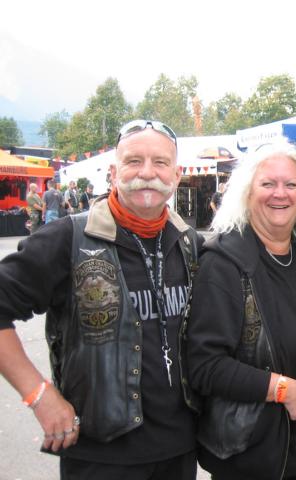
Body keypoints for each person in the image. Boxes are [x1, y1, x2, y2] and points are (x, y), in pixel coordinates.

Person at [0, 120, 201, 480]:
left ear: (177, 174)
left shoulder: (189, 243)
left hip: (180, 450)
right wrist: (39, 395)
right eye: (134, 161)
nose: (147, 172)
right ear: (113, 172)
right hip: (101, 455)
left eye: (160, 162)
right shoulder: (69, 238)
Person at [188, 143, 296, 479]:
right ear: (247, 192)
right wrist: (282, 389)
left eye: (291, 184)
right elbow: (205, 365)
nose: (280, 194)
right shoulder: (223, 264)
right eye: (268, 184)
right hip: (256, 460)